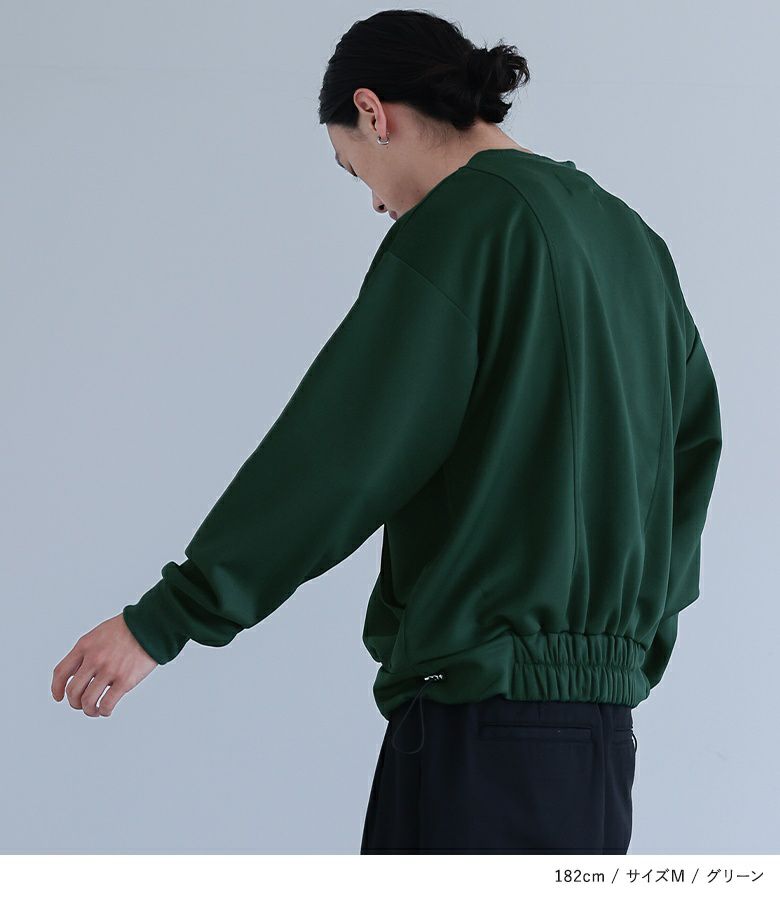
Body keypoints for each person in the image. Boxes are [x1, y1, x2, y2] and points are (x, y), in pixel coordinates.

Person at [51, 9, 723, 854]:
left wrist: (169, 615)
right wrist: (625, 648)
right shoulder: (631, 240)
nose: (374, 199)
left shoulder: (465, 226)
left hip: (478, 722)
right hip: (602, 735)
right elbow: (690, 457)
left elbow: (343, 452)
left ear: (373, 112)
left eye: (352, 166)